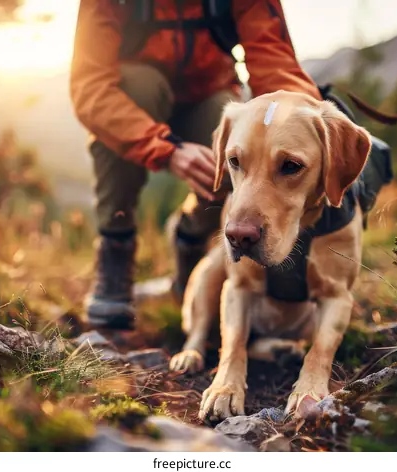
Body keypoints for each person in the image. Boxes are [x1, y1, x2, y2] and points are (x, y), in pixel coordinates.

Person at [70, 0, 320, 329]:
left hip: (209, 98)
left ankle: (191, 240)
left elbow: (276, 66)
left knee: (243, 155)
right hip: (135, 102)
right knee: (136, 88)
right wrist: (167, 150)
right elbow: (91, 89)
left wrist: (310, 122)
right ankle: (116, 245)